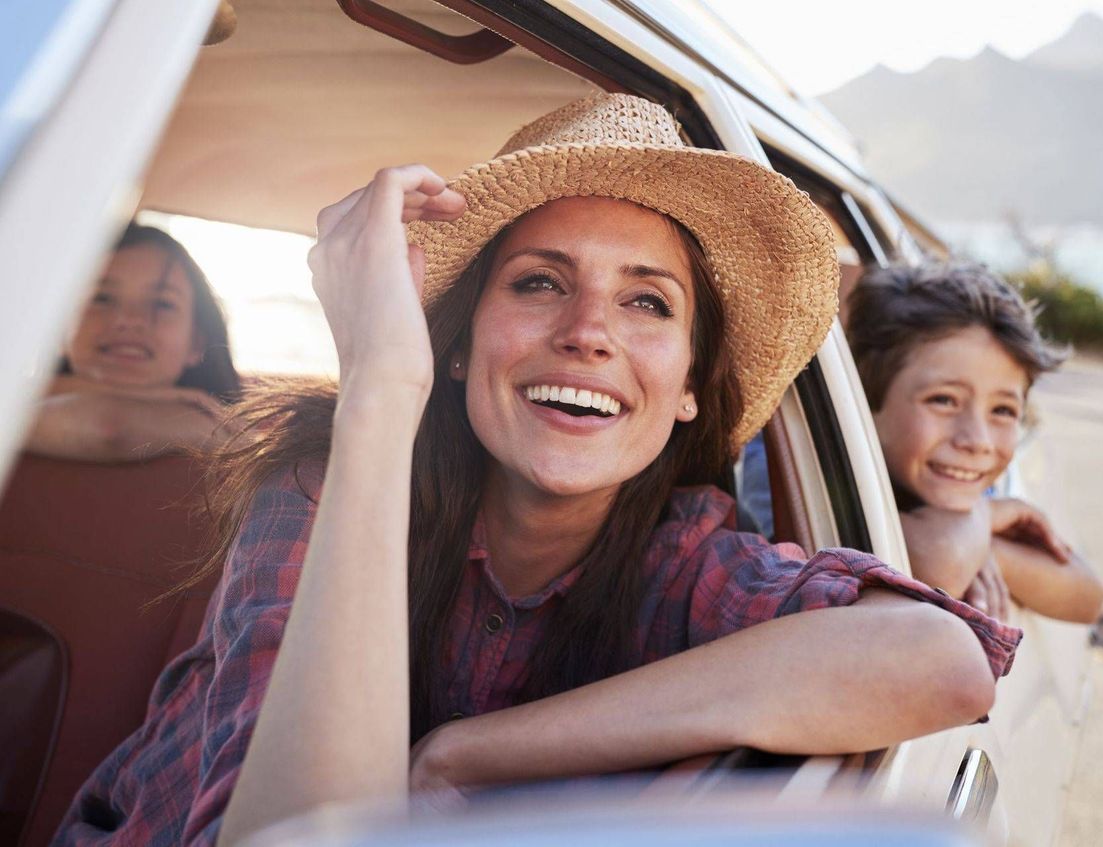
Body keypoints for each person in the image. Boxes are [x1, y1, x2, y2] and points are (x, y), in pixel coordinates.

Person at [55, 95, 1022, 847]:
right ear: (463, 345)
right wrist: (384, 393)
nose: (588, 333)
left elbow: (941, 659)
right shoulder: (319, 486)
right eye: (539, 283)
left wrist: (463, 755)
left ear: (688, 384)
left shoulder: (682, 554)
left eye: (647, 303)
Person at [845, 261, 1103, 624]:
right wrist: (984, 518)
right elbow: (941, 569)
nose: (977, 441)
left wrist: (985, 547)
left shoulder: (966, 480)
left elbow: (1088, 596)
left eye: (1002, 410)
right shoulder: (816, 477)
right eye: (943, 400)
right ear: (865, 401)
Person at [25, 224, 240, 462]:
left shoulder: (219, 425)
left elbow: (109, 429)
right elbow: (108, 429)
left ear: (197, 344)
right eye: (101, 298)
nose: (128, 320)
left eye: (162, 303)